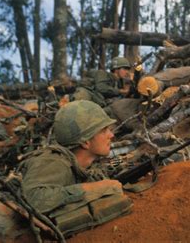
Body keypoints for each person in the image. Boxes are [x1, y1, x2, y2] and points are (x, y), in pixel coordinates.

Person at [19, 101, 133, 237]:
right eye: (104, 130)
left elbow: (103, 169)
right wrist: (93, 188)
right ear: (85, 142)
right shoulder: (54, 162)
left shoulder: (82, 162)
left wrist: (131, 159)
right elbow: (32, 198)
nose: (111, 135)